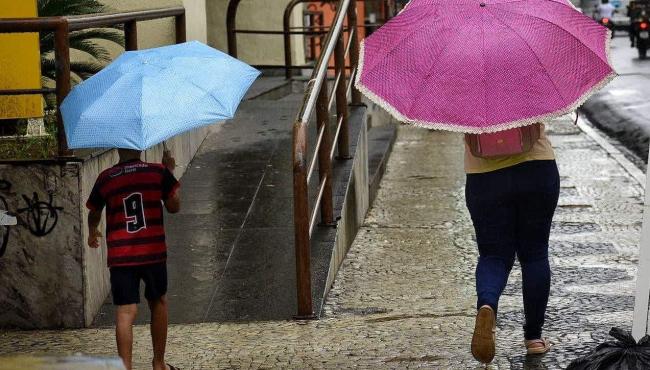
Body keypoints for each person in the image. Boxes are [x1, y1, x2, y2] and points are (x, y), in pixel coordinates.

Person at [465, 124, 559, 363]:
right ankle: (534, 338)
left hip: (484, 178)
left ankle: (487, 306)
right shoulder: (530, 83)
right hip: (537, 168)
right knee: (535, 255)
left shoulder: (461, 86)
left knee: (492, 256)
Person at [87, 148, 181, 370]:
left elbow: (94, 211)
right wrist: (169, 169)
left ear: (119, 148)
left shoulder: (106, 178)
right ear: (140, 147)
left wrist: (92, 231)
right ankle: (159, 364)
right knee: (158, 302)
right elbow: (174, 207)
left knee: (125, 311)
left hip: (121, 257)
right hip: (153, 252)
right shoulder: (158, 173)